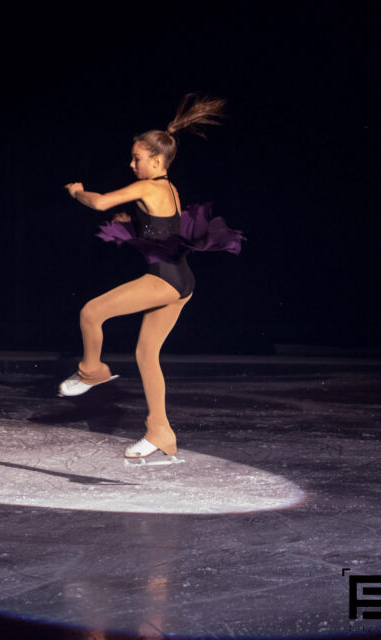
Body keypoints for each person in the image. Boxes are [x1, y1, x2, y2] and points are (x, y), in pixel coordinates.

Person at [60, 94, 243, 461]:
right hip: (182, 282)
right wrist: (129, 223)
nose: (131, 164)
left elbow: (99, 202)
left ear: (156, 160)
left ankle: (92, 371)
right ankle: (161, 433)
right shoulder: (168, 189)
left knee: (91, 313)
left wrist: (79, 193)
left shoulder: (149, 186)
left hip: (164, 280)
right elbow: (163, 227)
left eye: (137, 158)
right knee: (146, 353)